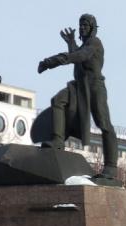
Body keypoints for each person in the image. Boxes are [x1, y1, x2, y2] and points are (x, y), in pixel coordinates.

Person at [37, 14, 119, 180]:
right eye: (80, 25)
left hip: (94, 87)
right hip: (79, 86)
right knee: (58, 100)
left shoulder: (95, 43)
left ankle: (111, 166)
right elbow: (77, 55)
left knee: (103, 124)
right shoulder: (83, 45)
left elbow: (81, 56)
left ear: (92, 28)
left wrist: (52, 62)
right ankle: (58, 141)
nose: (82, 28)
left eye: (85, 25)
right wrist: (71, 43)